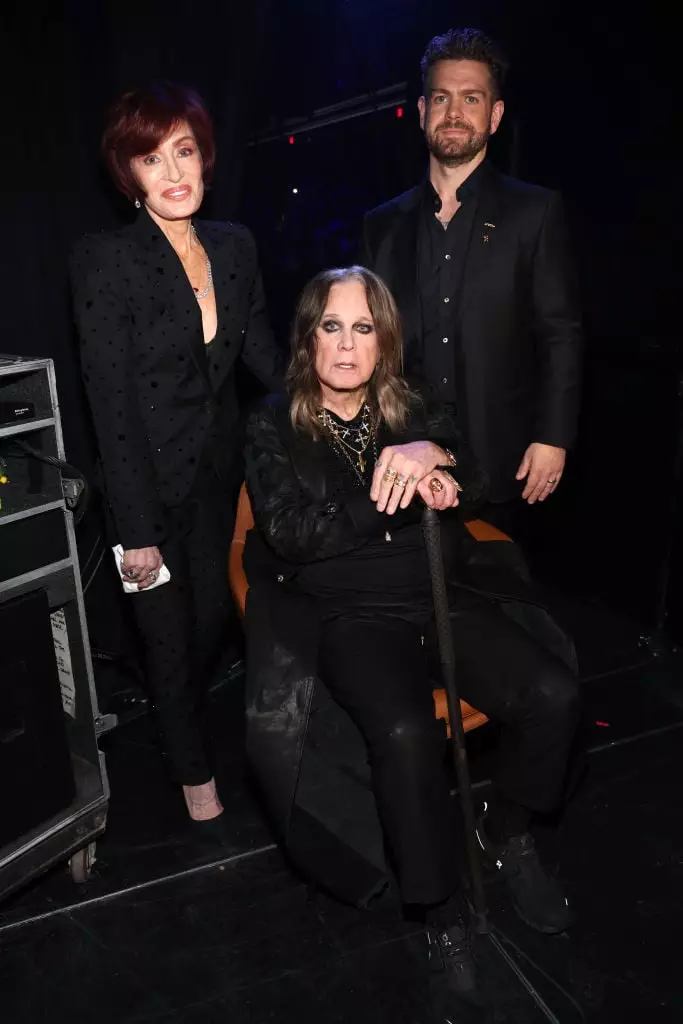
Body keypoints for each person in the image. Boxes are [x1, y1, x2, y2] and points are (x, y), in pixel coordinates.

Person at [242, 266, 580, 1008]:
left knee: (552, 692)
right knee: (403, 733)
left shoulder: (415, 401)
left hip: (438, 592)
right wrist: (387, 493)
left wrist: (437, 458)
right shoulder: (272, 421)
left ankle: (507, 828)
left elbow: (479, 479)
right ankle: (439, 906)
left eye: (363, 328)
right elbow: (292, 533)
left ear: (384, 340)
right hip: (352, 616)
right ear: (307, 337)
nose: (346, 345)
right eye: (331, 326)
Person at [70, 82, 281, 837]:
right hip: (145, 487)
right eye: (150, 158)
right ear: (128, 174)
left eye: (183, 151)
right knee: (165, 639)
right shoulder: (105, 260)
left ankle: (182, 721)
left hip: (217, 477)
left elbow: (262, 356)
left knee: (208, 622)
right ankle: (194, 774)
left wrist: (338, 393)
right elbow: (109, 405)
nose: (172, 171)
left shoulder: (234, 246)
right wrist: (136, 531)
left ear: (204, 156)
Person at [361, 28, 583, 537]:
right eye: (441, 98)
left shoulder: (535, 212)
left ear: (495, 115)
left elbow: (560, 333)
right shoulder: (381, 224)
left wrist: (553, 437)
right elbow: (366, 337)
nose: (454, 112)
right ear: (422, 111)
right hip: (401, 459)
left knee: (498, 583)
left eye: (471, 99)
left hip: (505, 461)